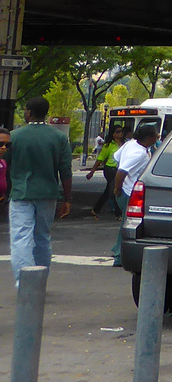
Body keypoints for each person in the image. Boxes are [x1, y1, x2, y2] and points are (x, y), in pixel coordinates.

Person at [7, 96, 74, 289]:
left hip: (21, 193)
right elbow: (66, 171)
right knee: (42, 237)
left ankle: (25, 282)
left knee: (21, 237)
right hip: (48, 194)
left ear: (28, 112)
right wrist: (67, 199)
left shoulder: (15, 136)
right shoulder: (59, 137)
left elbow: (7, 165)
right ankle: (40, 280)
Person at [109, 123, 159, 261]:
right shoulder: (139, 154)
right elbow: (122, 171)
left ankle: (118, 250)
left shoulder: (131, 144)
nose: (158, 137)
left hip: (126, 188)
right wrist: (117, 189)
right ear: (148, 137)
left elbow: (117, 158)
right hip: (128, 191)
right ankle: (119, 255)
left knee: (126, 223)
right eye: (155, 135)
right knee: (128, 223)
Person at [88, 123, 127, 217]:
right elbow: (100, 159)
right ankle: (119, 214)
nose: (120, 133)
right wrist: (92, 171)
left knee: (108, 191)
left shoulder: (125, 144)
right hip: (110, 169)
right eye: (118, 132)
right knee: (115, 190)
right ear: (113, 134)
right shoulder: (108, 145)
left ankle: (96, 210)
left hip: (119, 169)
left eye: (121, 131)